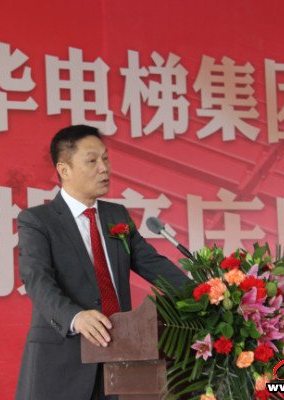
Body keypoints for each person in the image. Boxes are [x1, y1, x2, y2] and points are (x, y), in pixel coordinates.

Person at [15, 125, 188, 400]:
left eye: (105, 158)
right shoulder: (38, 221)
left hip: (121, 359)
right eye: (92, 160)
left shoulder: (116, 215)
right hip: (63, 362)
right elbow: (37, 279)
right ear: (64, 170)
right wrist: (75, 317)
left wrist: (203, 296)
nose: (104, 168)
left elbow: (152, 264)